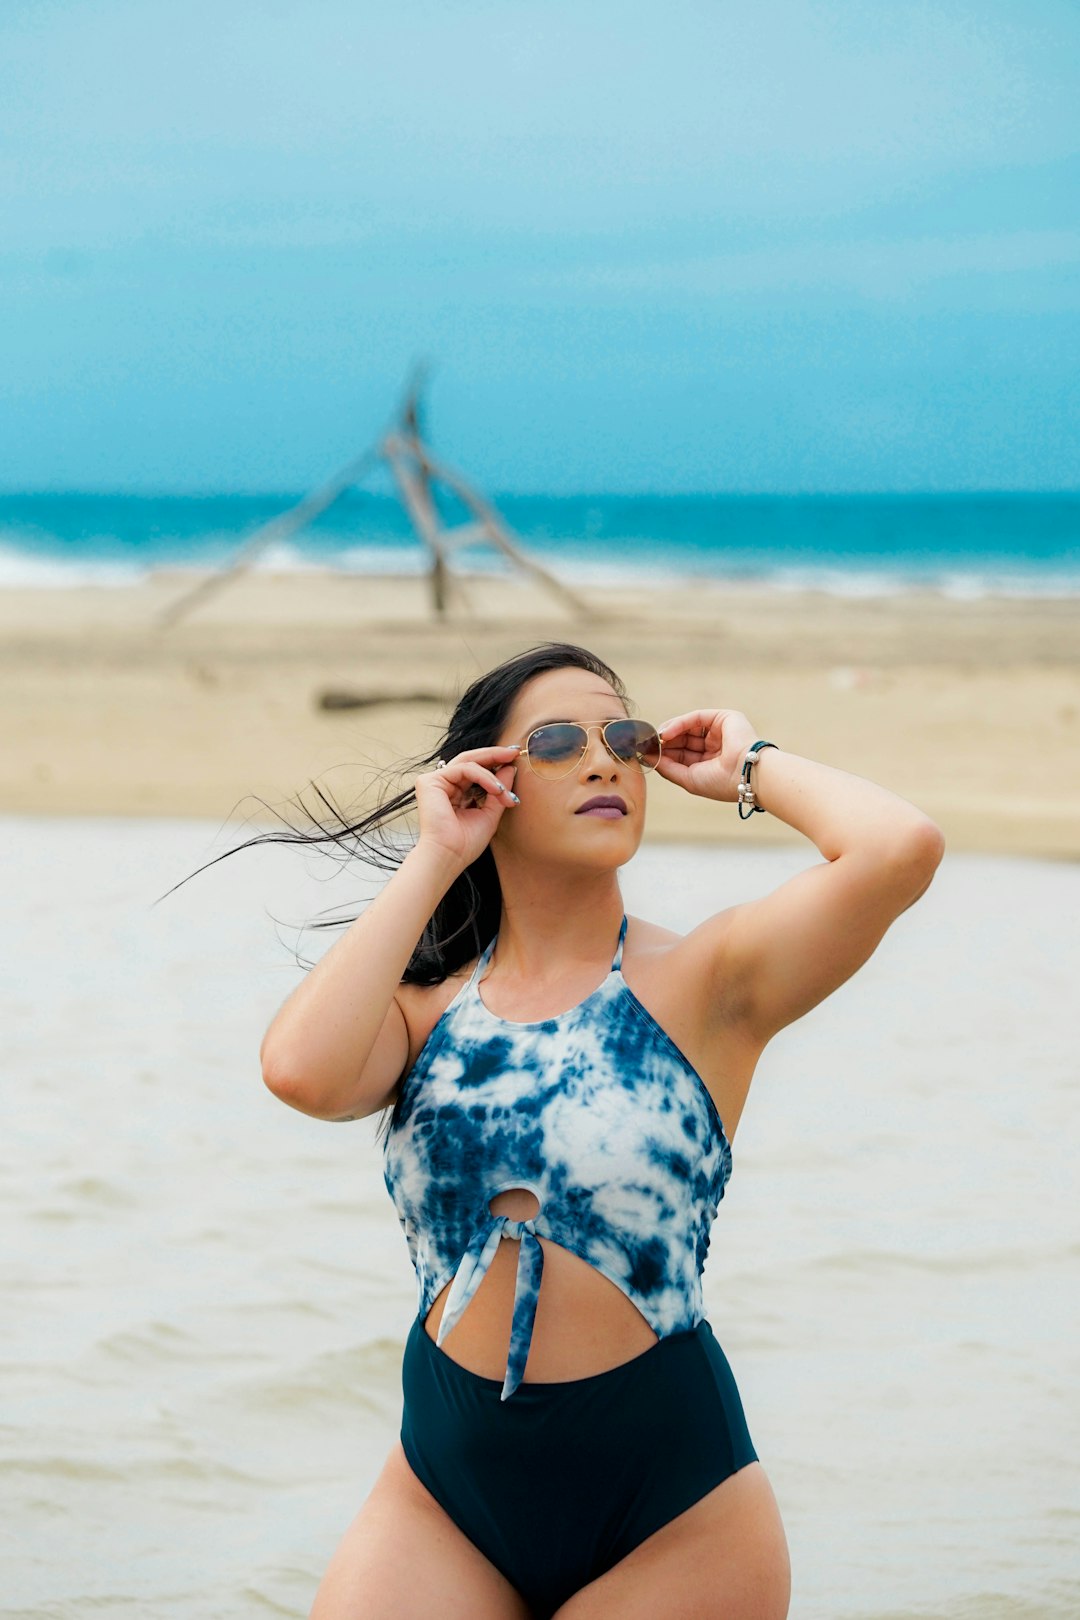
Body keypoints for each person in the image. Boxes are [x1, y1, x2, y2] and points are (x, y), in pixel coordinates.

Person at [257, 640, 945, 1620]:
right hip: (442, 1494)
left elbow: (900, 847)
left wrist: (746, 763)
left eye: (623, 736)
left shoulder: (711, 981)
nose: (602, 759)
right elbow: (298, 1071)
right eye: (554, 743)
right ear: (487, 784)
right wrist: (436, 854)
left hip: (672, 1510)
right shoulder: (420, 1012)